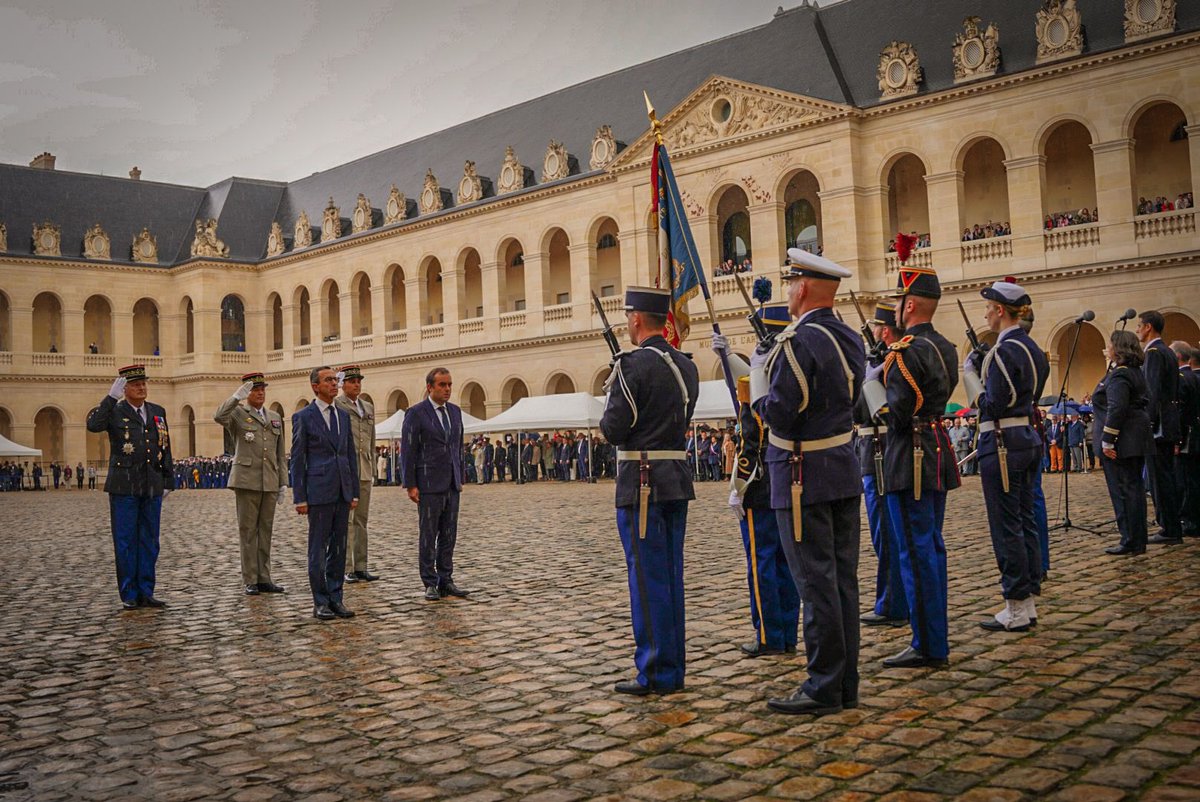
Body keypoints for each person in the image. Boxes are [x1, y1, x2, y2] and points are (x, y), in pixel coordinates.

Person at [750, 249, 864, 715]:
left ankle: (823, 684)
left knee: (815, 584)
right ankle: (844, 682)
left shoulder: (799, 342)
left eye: (791, 283)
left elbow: (781, 412)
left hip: (802, 476)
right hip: (839, 467)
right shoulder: (850, 338)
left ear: (801, 288)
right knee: (841, 583)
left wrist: (757, 387)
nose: (789, 291)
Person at [600, 286, 699, 696]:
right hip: (675, 477)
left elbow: (613, 429)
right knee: (671, 577)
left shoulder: (632, 366)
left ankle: (656, 670)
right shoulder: (686, 365)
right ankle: (672, 666)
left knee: (647, 580)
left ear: (637, 320)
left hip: (642, 484)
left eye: (628, 317)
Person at [863, 265, 960, 669]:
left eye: (901, 302)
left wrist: (873, 394)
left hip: (910, 454)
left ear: (911, 304)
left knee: (915, 552)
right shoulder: (946, 348)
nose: (898, 310)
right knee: (931, 546)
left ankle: (928, 643)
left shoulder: (903, 352)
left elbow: (896, 414)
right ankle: (933, 635)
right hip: (935, 450)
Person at [712, 305, 801, 658]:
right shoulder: (791, 376)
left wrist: (739, 486)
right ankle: (788, 632)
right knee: (786, 563)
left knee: (762, 563)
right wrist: (728, 356)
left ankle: (769, 635)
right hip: (788, 481)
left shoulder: (763, 385)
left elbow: (751, 438)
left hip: (761, 486)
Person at [961, 279, 1049, 632]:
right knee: (1025, 520)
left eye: (988, 308)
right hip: (1026, 438)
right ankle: (1026, 601)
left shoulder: (1001, 352)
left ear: (1000, 311)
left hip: (1001, 442)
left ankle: (1014, 603)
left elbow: (993, 404)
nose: (985, 314)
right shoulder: (1032, 349)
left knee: (1006, 526)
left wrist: (971, 378)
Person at [86, 364, 174, 610]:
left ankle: (146, 590)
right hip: (124, 487)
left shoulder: (157, 411)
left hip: (151, 485)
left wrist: (168, 480)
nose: (142, 388)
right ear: (125, 389)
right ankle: (129, 593)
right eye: (136, 385)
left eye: (144, 384)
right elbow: (93, 425)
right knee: (125, 542)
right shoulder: (115, 411)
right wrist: (110, 398)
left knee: (150, 541)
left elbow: (164, 446)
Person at [290, 366, 359, 620]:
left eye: (335, 380)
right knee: (318, 549)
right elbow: (298, 459)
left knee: (339, 549)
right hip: (317, 492)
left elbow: (349, 455)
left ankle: (335, 597)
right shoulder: (303, 417)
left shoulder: (343, 416)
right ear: (315, 386)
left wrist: (353, 492)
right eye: (328, 380)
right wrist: (300, 497)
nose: (334, 384)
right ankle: (319, 601)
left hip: (341, 491)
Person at [856, 300, 909, 628]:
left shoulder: (894, 363)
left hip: (880, 449)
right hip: (875, 450)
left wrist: (867, 378)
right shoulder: (885, 361)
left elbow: (860, 410)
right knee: (885, 533)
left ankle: (892, 602)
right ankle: (890, 598)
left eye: (876, 329)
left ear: (885, 332)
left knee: (886, 532)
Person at [214, 371, 287, 596]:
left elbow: (279, 453)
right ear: (247, 393)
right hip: (246, 480)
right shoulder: (238, 413)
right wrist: (236, 396)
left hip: (269, 480)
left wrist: (283, 482)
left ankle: (264, 577)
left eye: (262, 389)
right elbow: (219, 416)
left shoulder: (274, 416)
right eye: (255, 389)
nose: (260, 393)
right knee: (248, 532)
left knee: (265, 531)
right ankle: (250, 578)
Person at [401, 367, 469, 601]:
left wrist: (460, 476)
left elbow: (457, 447)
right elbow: (409, 451)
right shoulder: (417, 413)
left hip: (451, 483)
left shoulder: (455, 412)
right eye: (442, 385)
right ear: (430, 387)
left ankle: (446, 579)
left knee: (449, 534)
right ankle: (429, 581)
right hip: (428, 484)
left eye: (449, 384)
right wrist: (410, 484)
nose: (447, 389)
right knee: (429, 535)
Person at [1093, 332, 1155, 555]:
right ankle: (1137, 538)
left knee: (1123, 490)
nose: (1107, 348)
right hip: (1134, 437)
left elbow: (1117, 408)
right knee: (1134, 489)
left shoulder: (1119, 375)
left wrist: (1108, 440)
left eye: (1110, 345)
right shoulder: (1133, 371)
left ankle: (1129, 539)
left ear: (1117, 348)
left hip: (1121, 440)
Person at [1136, 311, 1183, 545]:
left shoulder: (1154, 353)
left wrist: (1148, 422)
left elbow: (1152, 392)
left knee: (1159, 479)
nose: (1137, 330)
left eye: (1139, 326)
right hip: (1169, 421)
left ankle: (1169, 527)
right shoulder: (1167, 351)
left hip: (1159, 425)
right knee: (1165, 476)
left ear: (1148, 327)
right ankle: (1171, 524)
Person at [336, 365, 379, 583]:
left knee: (362, 520)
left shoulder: (368, 407)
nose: (356, 385)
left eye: (359, 381)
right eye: (352, 381)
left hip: (364, 469)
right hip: (346, 471)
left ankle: (361, 565)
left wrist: (370, 467)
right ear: (342, 384)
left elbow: (371, 440)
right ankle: (347, 567)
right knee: (347, 521)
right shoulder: (338, 405)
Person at [1178, 345, 1200, 537]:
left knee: (1188, 480)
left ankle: (1191, 521)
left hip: (1191, 437)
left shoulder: (1185, 379)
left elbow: (1183, 413)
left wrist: (1179, 439)